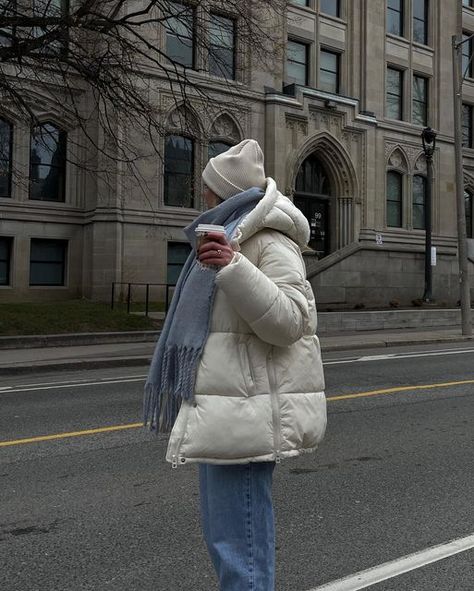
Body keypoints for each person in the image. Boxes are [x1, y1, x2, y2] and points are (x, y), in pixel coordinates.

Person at [144, 139, 326, 591]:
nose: (200, 195)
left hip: (248, 409)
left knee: (239, 544)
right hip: (225, 406)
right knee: (228, 539)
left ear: (222, 192)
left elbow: (292, 321)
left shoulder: (269, 240)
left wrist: (233, 267)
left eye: (207, 187)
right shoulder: (233, 231)